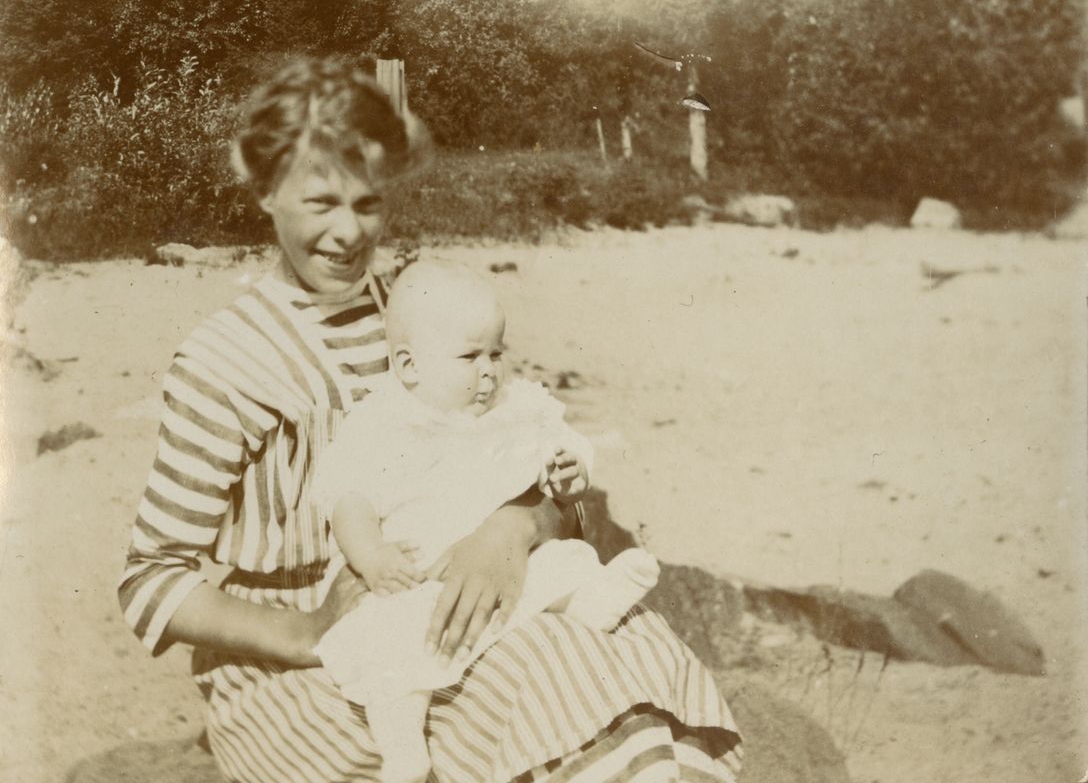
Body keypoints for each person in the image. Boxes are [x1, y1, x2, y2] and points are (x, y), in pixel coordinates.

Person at [118, 56, 742, 783]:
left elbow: (520, 452)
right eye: (320, 203)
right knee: (543, 670)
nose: (348, 233)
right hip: (303, 659)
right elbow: (149, 579)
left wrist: (512, 526)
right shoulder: (226, 360)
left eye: (368, 204)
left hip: (456, 588)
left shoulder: (421, 308)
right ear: (265, 191)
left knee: (624, 642)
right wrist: (306, 631)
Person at [313, 260, 663, 783]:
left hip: (508, 565)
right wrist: (372, 556)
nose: (489, 372)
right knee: (389, 641)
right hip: (420, 575)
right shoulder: (385, 422)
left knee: (562, 560)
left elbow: (564, 450)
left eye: (496, 353)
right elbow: (349, 497)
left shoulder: (513, 409)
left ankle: (590, 599)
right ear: (409, 366)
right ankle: (403, 744)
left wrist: (572, 473)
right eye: (469, 356)